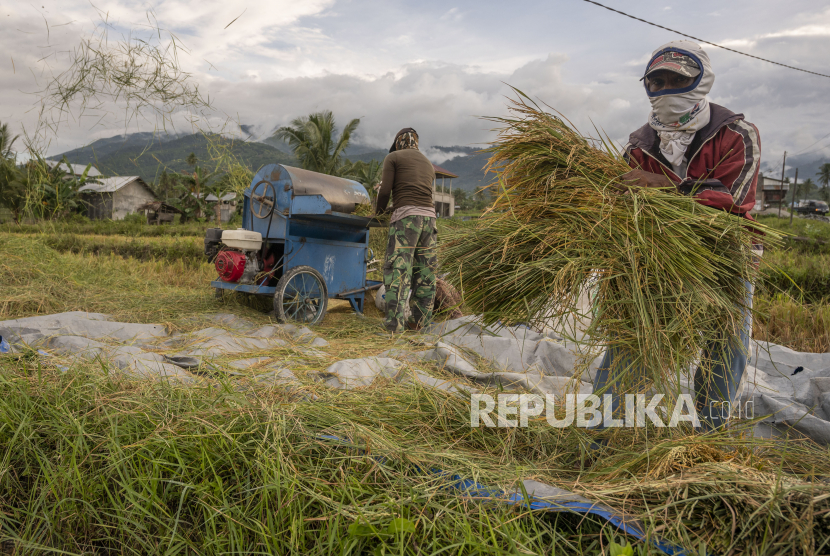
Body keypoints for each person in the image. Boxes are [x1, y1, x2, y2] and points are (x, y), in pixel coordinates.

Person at [594, 40, 762, 430]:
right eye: (657, 82)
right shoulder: (638, 145)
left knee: (728, 339)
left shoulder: (735, 133)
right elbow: (623, 205)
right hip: (659, 252)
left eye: (677, 80)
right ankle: (597, 434)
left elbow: (732, 199)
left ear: (702, 82)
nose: (665, 90)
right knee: (631, 335)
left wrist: (663, 187)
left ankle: (708, 429)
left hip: (728, 252)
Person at [375, 128, 438, 333]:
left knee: (398, 272)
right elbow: (421, 193)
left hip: (406, 220)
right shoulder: (428, 164)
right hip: (429, 219)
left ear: (398, 143)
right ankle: (420, 325)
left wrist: (379, 212)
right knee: (425, 273)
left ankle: (395, 327)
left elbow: (385, 191)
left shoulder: (393, 157)